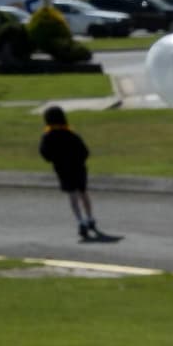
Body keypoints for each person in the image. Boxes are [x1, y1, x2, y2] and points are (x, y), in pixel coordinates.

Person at [37, 103, 112, 243]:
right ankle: (90, 218)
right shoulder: (71, 134)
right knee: (83, 192)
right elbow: (85, 151)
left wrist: (56, 159)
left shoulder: (47, 137)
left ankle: (80, 221)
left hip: (62, 169)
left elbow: (45, 154)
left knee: (72, 196)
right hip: (78, 168)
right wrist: (78, 160)